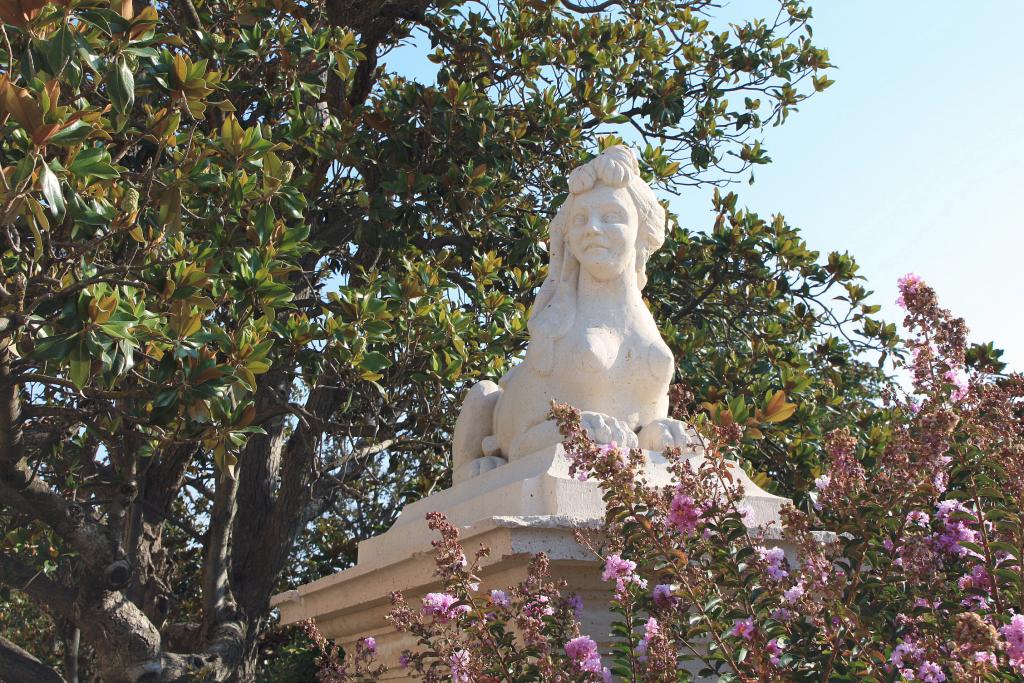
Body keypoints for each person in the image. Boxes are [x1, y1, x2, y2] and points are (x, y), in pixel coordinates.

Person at [452, 146, 694, 484]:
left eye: (611, 216)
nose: (593, 228)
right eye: (581, 219)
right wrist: (570, 428)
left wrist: (657, 433)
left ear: (641, 229)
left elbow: (639, 431)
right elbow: (524, 444)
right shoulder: (558, 330)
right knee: (483, 393)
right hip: (520, 438)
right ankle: (465, 467)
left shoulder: (645, 332)